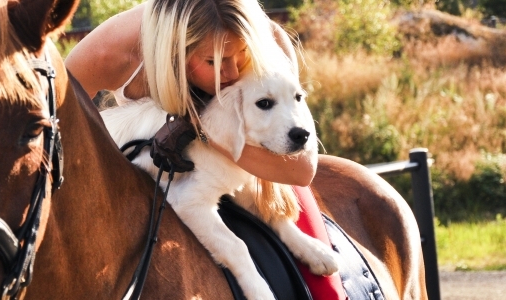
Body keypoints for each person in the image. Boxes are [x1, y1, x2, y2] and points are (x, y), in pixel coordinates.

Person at [65, 0, 345, 298]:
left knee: (326, 287)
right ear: (176, 53)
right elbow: (58, 122)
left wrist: (205, 129)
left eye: (241, 54)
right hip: (132, 178)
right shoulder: (112, 51)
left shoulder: (267, 40)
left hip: (263, 166)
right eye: (213, 61)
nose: (232, 72)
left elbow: (300, 170)